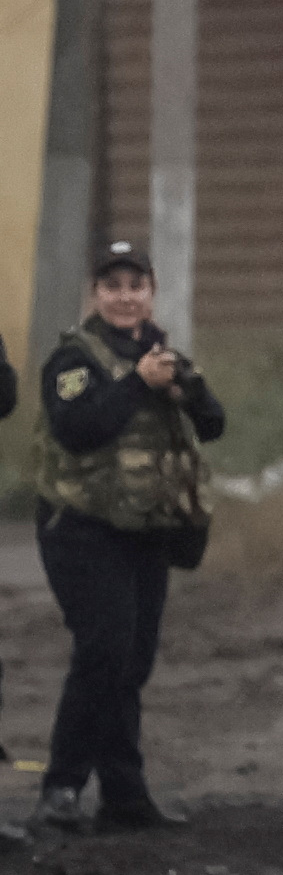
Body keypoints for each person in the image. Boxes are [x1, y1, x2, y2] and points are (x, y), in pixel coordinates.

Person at [30, 241, 219, 832]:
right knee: (104, 651)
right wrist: (138, 382)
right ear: (96, 294)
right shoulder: (73, 359)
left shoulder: (162, 356)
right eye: (112, 286)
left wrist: (183, 386)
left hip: (145, 532)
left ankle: (125, 794)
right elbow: (80, 428)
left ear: (151, 292)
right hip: (81, 530)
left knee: (131, 662)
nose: (124, 296)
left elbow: (214, 424)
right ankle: (60, 789)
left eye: (135, 285)